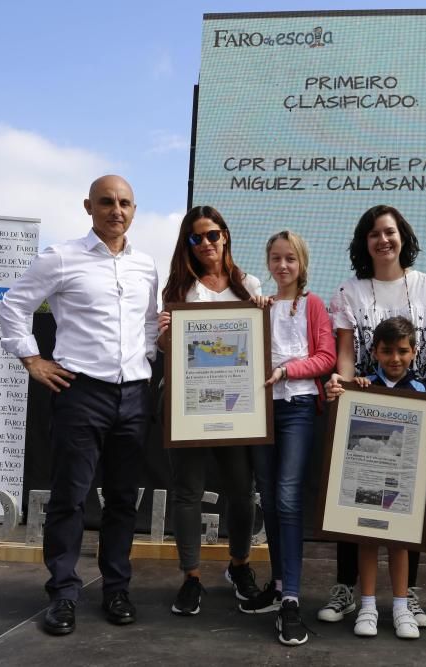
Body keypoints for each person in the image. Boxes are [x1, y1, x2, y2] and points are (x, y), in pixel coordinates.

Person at [0, 175, 157, 636]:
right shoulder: (61, 257)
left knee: (124, 500)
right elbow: (13, 305)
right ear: (89, 206)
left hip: (133, 395)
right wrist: (32, 359)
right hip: (80, 393)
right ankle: (64, 594)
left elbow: (149, 322)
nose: (116, 211)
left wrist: (145, 355)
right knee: (70, 498)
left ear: (134, 208)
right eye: (107, 202)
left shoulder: (145, 265)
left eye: (125, 203)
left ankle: (116, 589)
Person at [321, 204, 426, 629]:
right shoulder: (349, 290)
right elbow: (345, 350)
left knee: (408, 494)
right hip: (363, 402)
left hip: (416, 404)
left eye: (391, 232)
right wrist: (340, 384)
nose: (384, 240)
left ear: (403, 237)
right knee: (354, 493)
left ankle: (405, 595)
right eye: (375, 233)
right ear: (365, 242)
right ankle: (348, 589)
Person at [158, 205, 265, 616]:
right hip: (189, 403)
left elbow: (257, 345)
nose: (206, 244)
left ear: (226, 237)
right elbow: (165, 350)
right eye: (196, 237)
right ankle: (191, 577)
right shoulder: (178, 289)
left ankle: (239, 566)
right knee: (187, 492)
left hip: (239, 404)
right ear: (187, 243)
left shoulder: (249, 284)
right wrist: (166, 339)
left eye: (213, 235)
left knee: (242, 491)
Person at [328, 316, 426, 640]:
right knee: (366, 541)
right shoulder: (363, 386)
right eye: (387, 351)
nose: (395, 358)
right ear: (375, 352)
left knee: (400, 545)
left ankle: (400, 607)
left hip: (404, 489)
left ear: (415, 352)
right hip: (368, 484)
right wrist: (353, 390)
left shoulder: (425, 391)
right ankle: (367, 606)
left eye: (402, 351)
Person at [251, 230, 336, 646]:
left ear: (302, 264)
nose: (282, 266)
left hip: (297, 406)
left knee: (286, 497)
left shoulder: (314, 304)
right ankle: (280, 581)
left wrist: (287, 371)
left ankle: (291, 599)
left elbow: (327, 357)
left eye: (290, 259)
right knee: (268, 497)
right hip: (259, 411)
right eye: (276, 258)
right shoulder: (260, 306)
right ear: (267, 262)